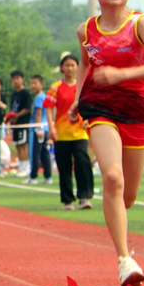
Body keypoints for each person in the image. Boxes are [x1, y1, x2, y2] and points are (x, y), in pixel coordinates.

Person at [72, 0, 144, 286]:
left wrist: (122, 74)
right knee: (112, 178)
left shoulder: (140, 24)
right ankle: (124, 260)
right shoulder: (86, 30)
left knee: (126, 197)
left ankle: (123, 238)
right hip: (101, 108)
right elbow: (86, 65)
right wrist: (77, 99)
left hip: (138, 111)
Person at [45, 54, 93, 210]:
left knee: (82, 163)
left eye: (73, 65)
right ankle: (67, 201)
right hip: (62, 134)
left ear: (78, 67)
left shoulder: (83, 85)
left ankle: (84, 197)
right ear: (61, 68)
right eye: (67, 65)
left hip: (80, 133)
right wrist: (51, 128)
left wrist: (88, 119)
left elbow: (91, 104)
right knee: (64, 167)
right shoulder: (56, 87)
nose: (70, 68)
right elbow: (48, 108)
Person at [26, 74, 53, 185]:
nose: (33, 86)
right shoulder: (44, 96)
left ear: (41, 84)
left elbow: (38, 113)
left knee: (35, 153)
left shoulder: (39, 97)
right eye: (31, 83)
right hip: (45, 128)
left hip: (38, 129)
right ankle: (48, 176)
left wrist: (37, 128)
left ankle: (33, 176)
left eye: (35, 83)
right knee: (44, 153)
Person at [7, 70, 32, 177]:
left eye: (18, 78)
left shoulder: (25, 93)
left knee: (23, 145)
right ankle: (21, 167)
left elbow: (27, 108)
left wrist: (16, 116)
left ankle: (26, 167)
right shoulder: (14, 94)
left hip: (23, 122)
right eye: (14, 79)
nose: (16, 81)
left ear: (22, 79)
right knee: (17, 144)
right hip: (15, 123)